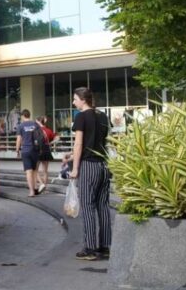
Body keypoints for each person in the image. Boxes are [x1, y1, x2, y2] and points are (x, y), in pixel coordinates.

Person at [69, 87, 112, 261]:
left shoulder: (81, 117)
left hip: (89, 166)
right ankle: (104, 246)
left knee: (87, 206)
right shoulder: (103, 116)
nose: (73, 102)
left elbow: (79, 144)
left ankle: (90, 248)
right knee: (103, 206)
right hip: (104, 165)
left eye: (74, 99)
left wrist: (74, 168)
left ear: (82, 99)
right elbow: (100, 142)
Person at [14, 109, 40, 197]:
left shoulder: (21, 126)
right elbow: (40, 136)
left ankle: (32, 191)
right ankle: (36, 187)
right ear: (29, 115)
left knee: (28, 171)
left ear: (23, 116)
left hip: (25, 150)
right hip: (35, 150)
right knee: (34, 171)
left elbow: (19, 139)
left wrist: (17, 150)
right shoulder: (35, 124)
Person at [35, 115, 59, 193]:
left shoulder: (36, 130)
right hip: (46, 150)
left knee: (35, 170)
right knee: (45, 171)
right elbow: (57, 138)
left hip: (38, 151)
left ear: (38, 121)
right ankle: (45, 189)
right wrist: (51, 143)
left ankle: (40, 185)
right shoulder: (48, 130)